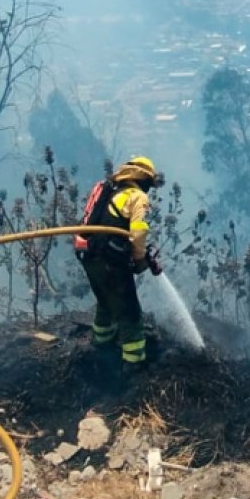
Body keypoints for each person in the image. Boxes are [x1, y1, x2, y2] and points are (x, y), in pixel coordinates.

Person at [76, 156, 161, 370]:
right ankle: (133, 365)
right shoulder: (136, 196)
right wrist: (140, 259)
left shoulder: (111, 192)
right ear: (144, 180)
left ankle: (101, 346)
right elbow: (138, 232)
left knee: (105, 302)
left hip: (90, 256)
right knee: (130, 312)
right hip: (110, 262)